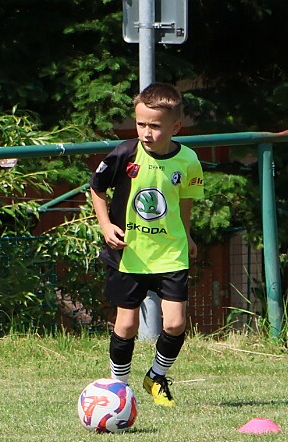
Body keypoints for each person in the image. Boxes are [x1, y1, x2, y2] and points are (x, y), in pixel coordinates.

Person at [90, 82, 204, 406]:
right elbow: (97, 187)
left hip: (171, 251)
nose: (146, 132)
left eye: (155, 126)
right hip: (130, 253)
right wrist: (106, 225)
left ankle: (156, 376)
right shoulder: (125, 154)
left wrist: (187, 234)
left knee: (176, 322)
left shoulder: (188, 160)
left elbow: (185, 201)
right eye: (141, 124)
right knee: (126, 324)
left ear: (175, 127)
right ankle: (119, 389)